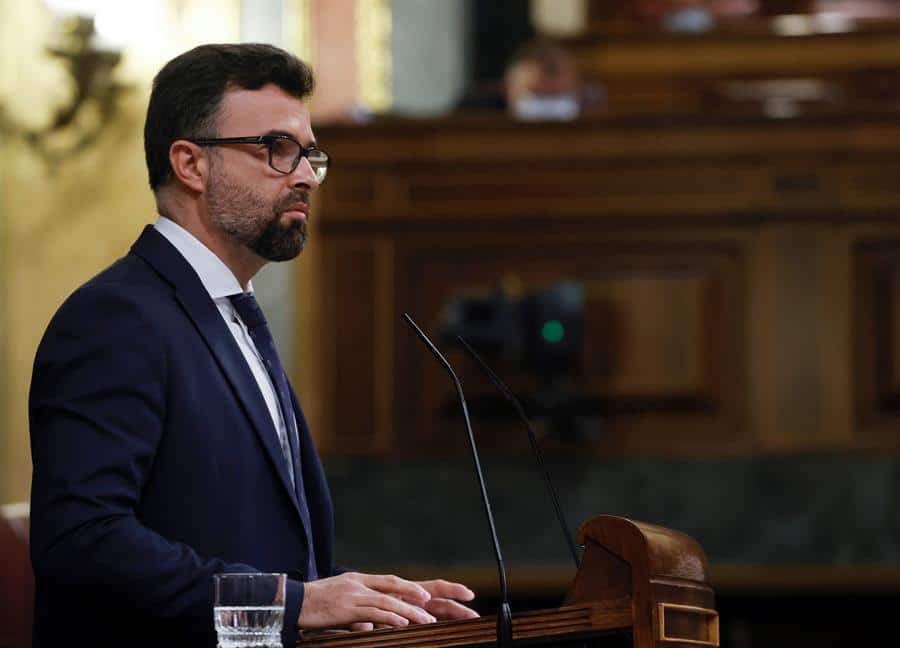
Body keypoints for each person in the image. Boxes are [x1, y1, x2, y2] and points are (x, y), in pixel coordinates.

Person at [28, 43, 478, 648]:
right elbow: (81, 540)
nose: (303, 176)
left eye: (310, 154)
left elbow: (249, 546)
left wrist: (356, 597)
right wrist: (293, 602)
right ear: (191, 164)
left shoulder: (230, 314)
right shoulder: (117, 317)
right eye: (276, 149)